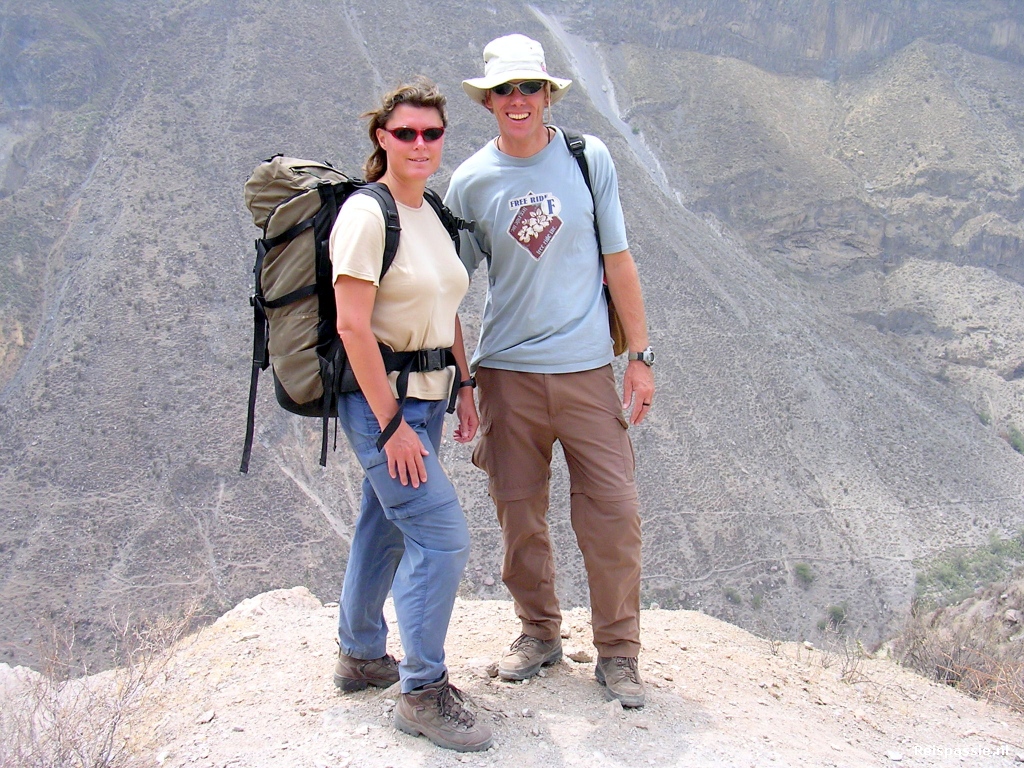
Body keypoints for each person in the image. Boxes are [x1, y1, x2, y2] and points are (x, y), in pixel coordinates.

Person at [445, 35, 656, 708]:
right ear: (488, 100)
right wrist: (465, 381)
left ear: (546, 95)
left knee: (613, 513)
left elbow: (618, 260)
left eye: (528, 88)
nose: (517, 101)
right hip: (506, 372)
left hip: (587, 371)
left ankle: (618, 651)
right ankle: (539, 633)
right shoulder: (472, 181)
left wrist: (641, 357)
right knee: (518, 513)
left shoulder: (586, 159)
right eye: (504, 90)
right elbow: (447, 289)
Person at [330, 77, 492, 752]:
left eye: (432, 133)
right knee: (443, 537)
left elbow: (445, 305)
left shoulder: (430, 211)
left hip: (428, 398)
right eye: (406, 133)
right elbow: (352, 326)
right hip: (384, 407)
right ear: (382, 139)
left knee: (387, 526)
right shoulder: (368, 216)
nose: (420, 144)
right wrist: (392, 422)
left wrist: (463, 387)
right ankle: (422, 692)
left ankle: (362, 654)